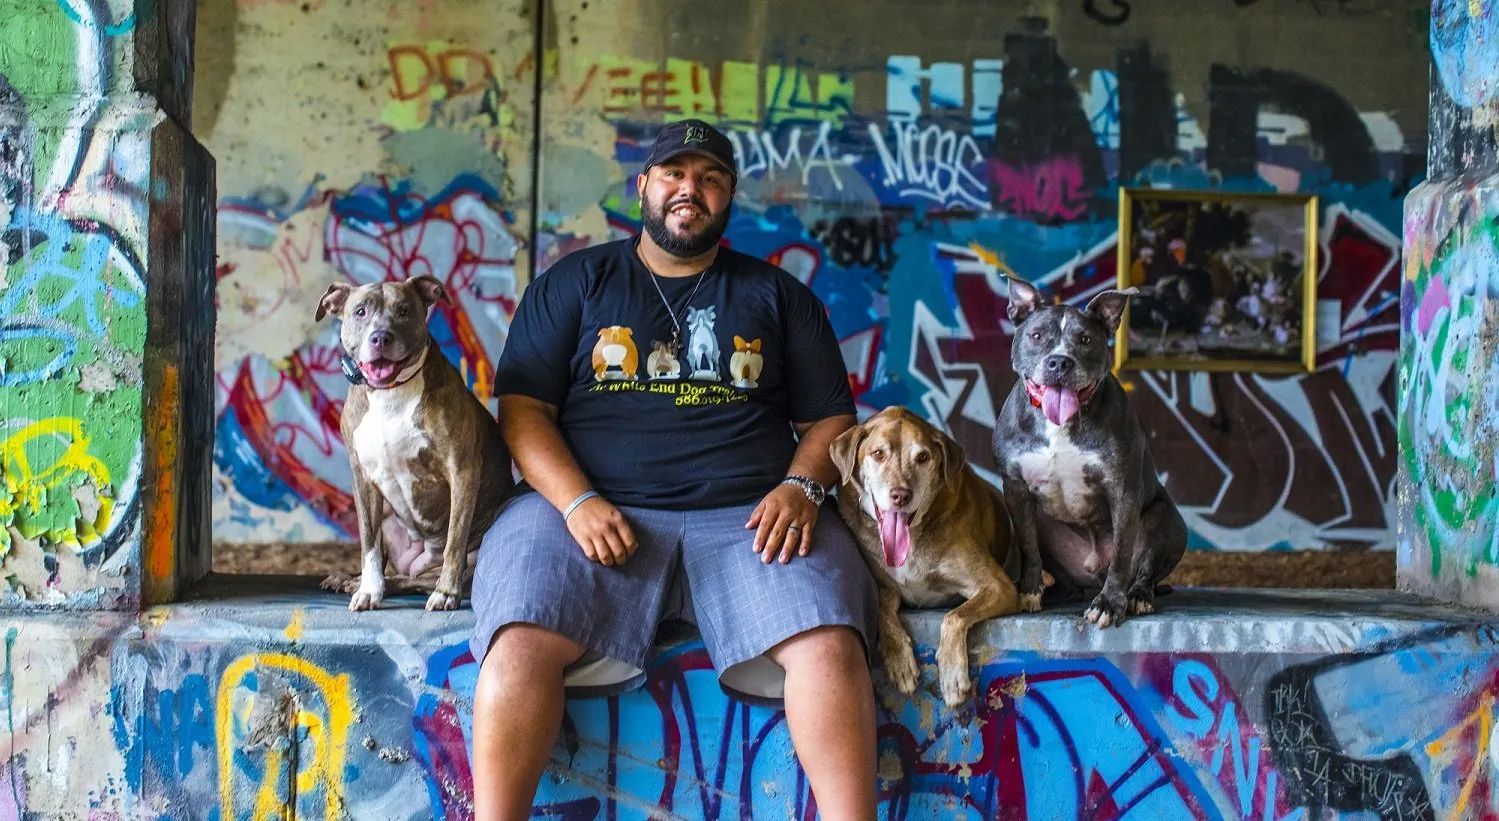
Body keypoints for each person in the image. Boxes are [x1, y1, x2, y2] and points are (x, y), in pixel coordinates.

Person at [469, 118, 878, 820]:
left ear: (728, 198)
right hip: (587, 510)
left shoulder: (777, 296)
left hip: (752, 514)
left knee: (828, 642)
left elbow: (831, 421)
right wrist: (574, 501)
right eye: (674, 174)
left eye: (710, 177)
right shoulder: (575, 282)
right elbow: (523, 411)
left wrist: (801, 484)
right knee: (518, 634)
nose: (690, 189)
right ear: (644, 187)